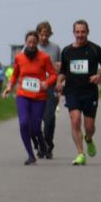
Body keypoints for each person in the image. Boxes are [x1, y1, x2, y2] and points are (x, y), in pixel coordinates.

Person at [56, 19, 101, 166]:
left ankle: (89, 139)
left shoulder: (95, 49)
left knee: (89, 127)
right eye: (77, 32)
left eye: (83, 32)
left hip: (90, 92)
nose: (80, 35)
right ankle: (80, 154)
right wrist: (59, 82)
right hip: (72, 91)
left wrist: (100, 75)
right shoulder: (67, 51)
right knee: (75, 120)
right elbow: (63, 71)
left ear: (88, 32)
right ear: (73, 33)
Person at [3, 30, 58, 165]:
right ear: (25, 42)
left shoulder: (44, 58)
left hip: (39, 97)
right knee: (23, 124)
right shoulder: (19, 58)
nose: (32, 44)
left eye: (34, 42)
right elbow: (15, 75)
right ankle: (30, 155)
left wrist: (46, 83)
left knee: (35, 128)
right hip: (23, 95)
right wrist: (9, 87)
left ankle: (42, 144)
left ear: (37, 43)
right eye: (29, 42)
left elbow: (53, 75)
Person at [34, 21, 61, 159]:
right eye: (41, 34)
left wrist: (60, 82)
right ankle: (40, 146)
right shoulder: (31, 47)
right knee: (36, 119)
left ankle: (48, 144)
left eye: (46, 34)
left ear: (50, 34)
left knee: (49, 118)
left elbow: (60, 67)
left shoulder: (55, 48)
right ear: (37, 34)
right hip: (34, 88)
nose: (44, 37)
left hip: (51, 86)